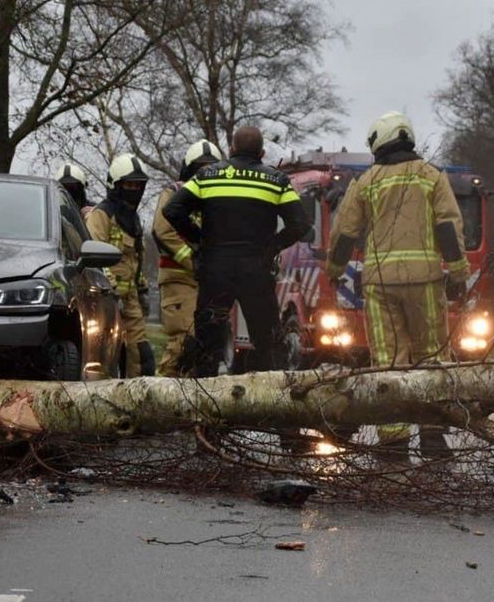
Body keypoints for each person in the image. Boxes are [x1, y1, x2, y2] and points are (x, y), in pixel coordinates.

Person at [324, 110, 470, 459]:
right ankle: (433, 436)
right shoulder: (431, 177)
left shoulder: (367, 182)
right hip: (426, 283)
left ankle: (393, 442)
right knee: (432, 357)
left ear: (379, 142)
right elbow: (448, 227)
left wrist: (334, 270)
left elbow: (345, 233)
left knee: (389, 361)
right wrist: (459, 274)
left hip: (379, 286)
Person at [162, 127, 310, 376]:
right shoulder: (276, 180)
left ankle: (205, 402)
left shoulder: (207, 176)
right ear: (262, 153)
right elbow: (301, 225)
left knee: (207, 345)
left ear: (231, 149)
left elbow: (172, 210)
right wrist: (272, 246)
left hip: (215, 270)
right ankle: (272, 404)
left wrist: (200, 240)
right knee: (268, 344)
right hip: (256, 270)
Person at [151, 139, 224, 376]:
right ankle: (161, 401)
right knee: (184, 342)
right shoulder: (174, 193)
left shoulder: (218, 197)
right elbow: (162, 230)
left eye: (210, 167)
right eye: (199, 167)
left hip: (210, 282)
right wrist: (191, 260)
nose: (204, 172)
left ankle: (192, 404)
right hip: (179, 279)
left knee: (208, 346)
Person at [85, 154, 156, 377]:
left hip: (131, 300)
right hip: (106, 300)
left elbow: (136, 259)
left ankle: (138, 406)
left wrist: (142, 289)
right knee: (104, 356)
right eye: (129, 184)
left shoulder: (133, 219)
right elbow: (95, 257)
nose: (134, 190)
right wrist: (111, 293)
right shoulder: (101, 215)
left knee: (141, 355)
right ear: (116, 186)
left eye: (138, 185)